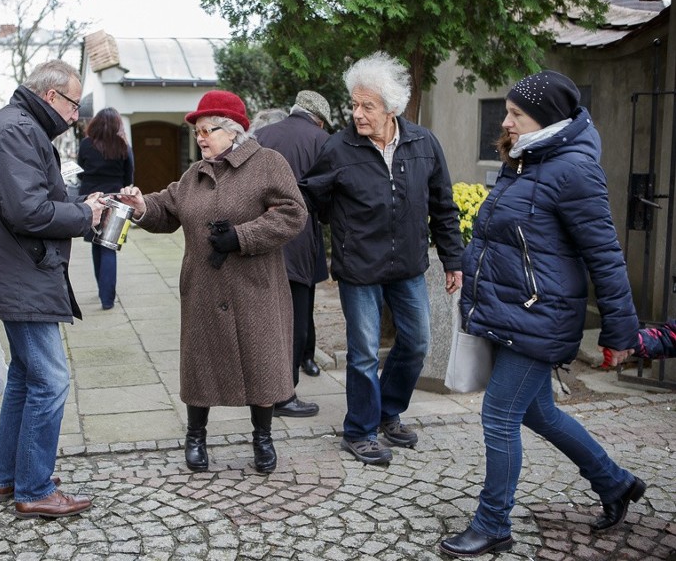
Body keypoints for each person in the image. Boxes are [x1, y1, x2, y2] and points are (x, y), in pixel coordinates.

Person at [439, 70, 643, 558]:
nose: (506, 123)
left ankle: (493, 524)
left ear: (547, 120)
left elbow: (605, 254)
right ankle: (614, 483)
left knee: (499, 414)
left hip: (542, 315)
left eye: (515, 115)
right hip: (513, 309)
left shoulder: (572, 170)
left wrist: (621, 330)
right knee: (538, 411)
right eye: (507, 112)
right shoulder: (530, 160)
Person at [115, 90, 307, 474]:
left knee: (261, 363)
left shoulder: (268, 164)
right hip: (204, 288)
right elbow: (167, 208)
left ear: (233, 131)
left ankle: (262, 439)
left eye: (209, 129)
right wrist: (140, 207)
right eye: (198, 131)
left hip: (255, 287)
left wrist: (242, 236)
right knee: (200, 365)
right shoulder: (194, 175)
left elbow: (293, 213)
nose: (201, 137)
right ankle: (196, 437)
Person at [0, 60, 106, 519]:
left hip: (15, 272)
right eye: (72, 103)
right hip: (17, 274)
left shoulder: (19, 127)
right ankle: (34, 487)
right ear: (50, 96)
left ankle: (9, 477)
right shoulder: (19, 130)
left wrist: (84, 206)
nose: (75, 114)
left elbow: (36, 200)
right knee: (51, 379)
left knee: (25, 377)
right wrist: (85, 217)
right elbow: (28, 212)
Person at [300, 52, 464, 465]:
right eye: (354, 104)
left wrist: (454, 260)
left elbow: (443, 207)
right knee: (365, 352)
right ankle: (359, 430)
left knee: (417, 343)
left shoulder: (424, 144)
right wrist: (343, 231)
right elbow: (312, 198)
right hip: (359, 269)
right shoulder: (338, 148)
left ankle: (387, 411)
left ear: (391, 108)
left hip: (407, 267)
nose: (357, 113)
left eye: (366, 106)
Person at [255, 90, 332, 418]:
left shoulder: (260, 135)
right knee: (296, 320)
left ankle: (260, 390)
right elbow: (328, 194)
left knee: (263, 318)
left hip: (257, 236)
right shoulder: (322, 141)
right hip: (298, 239)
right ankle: (284, 395)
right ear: (318, 119)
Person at [77, 107, 135, 310]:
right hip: (117, 202)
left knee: (95, 244)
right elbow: (129, 178)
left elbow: (81, 172)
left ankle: (101, 288)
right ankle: (107, 298)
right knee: (109, 248)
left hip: (91, 200)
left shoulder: (86, 144)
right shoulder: (123, 146)